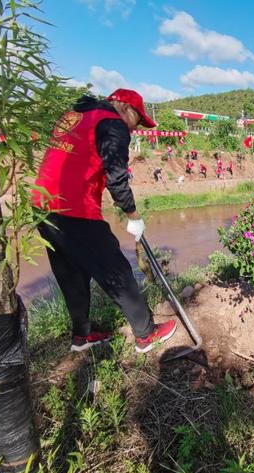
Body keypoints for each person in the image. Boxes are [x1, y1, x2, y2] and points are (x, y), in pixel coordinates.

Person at [32, 88, 177, 353]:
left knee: (71, 274)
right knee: (116, 271)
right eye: (138, 120)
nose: (135, 128)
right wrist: (133, 215)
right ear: (124, 107)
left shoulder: (75, 115)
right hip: (75, 210)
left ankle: (82, 336)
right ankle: (146, 335)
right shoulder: (112, 123)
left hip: (42, 207)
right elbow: (117, 176)